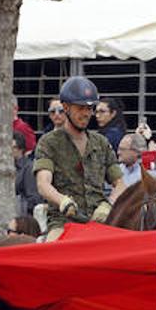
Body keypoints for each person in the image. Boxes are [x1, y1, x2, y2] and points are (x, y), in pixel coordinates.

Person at [34, 76, 125, 241]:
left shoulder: (101, 142)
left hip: (101, 220)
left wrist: (109, 203)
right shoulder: (48, 143)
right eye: (81, 108)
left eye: (90, 108)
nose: (87, 113)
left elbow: (119, 183)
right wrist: (62, 201)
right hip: (64, 221)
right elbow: (43, 184)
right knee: (53, 257)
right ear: (66, 107)